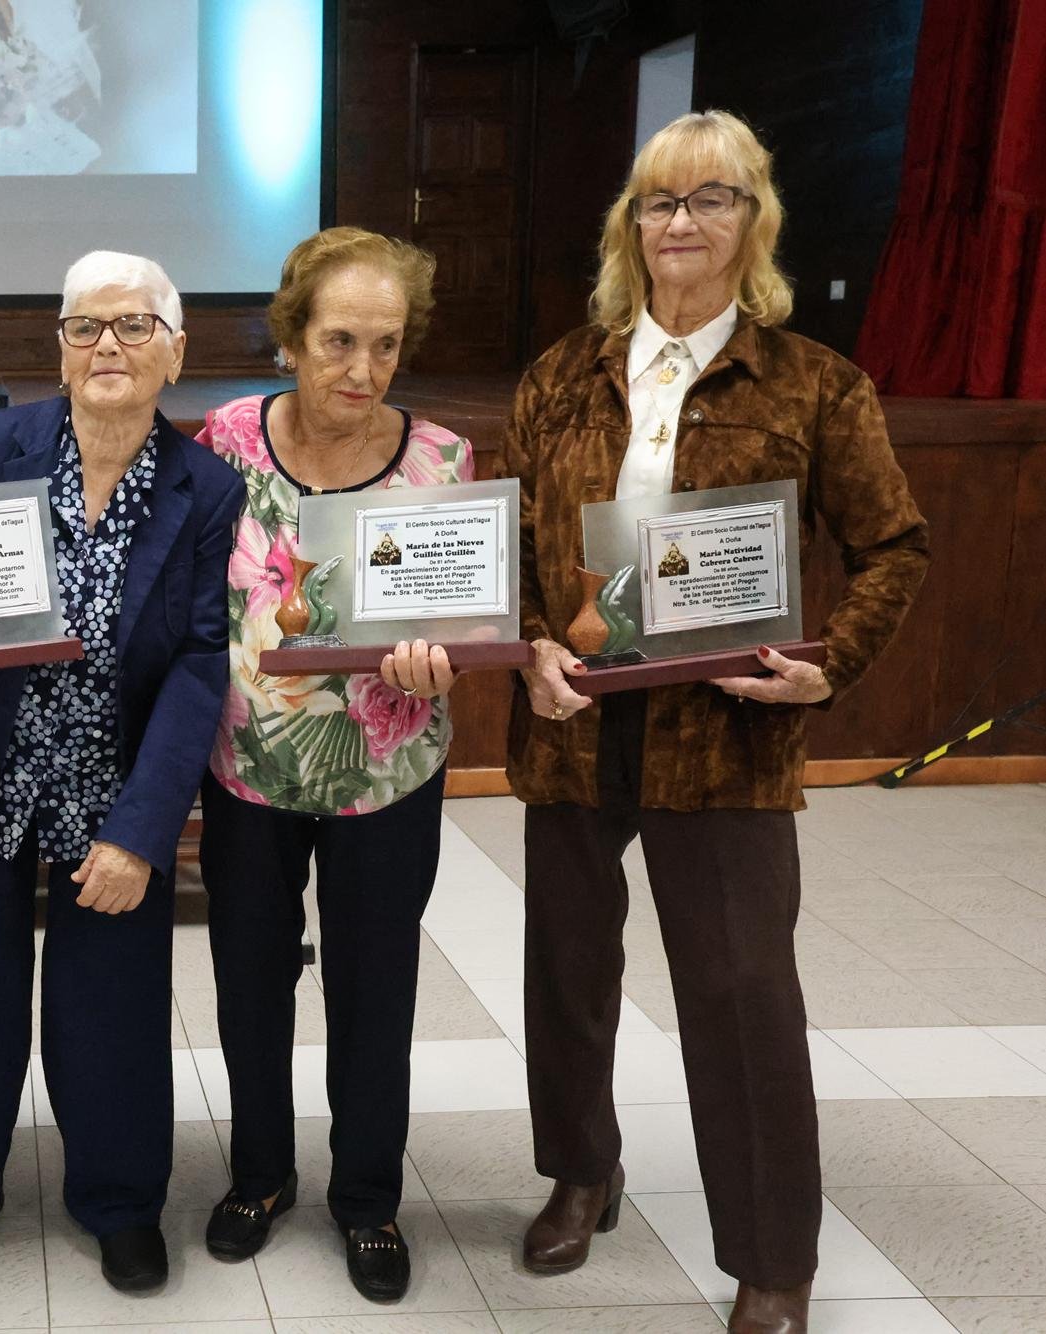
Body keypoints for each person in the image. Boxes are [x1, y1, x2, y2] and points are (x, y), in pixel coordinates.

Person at [505, 110, 929, 1334]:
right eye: (657, 201)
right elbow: (521, 552)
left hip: (728, 732)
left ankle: (772, 1255)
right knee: (568, 971)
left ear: (756, 221)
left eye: (711, 198)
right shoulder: (560, 375)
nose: (680, 222)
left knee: (743, 990)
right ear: (628, 226)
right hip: (576, 721)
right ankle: (583, 1172)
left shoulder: (814, 383)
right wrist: (533, 644)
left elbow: (894, 543)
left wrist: (828, 667)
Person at [0, 251, 245, 1293]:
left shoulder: (206, 485)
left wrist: (145, 828)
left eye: (134, 327)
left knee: (115, 1007)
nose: (107, 347)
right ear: (57, 346)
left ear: (175, 353)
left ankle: (121, 1197)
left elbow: (196, 664)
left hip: (111, 788)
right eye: (85, 327)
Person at [192, 227, 473, 1302]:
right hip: (248, 769)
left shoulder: (442, 459)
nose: (363, 370)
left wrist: (445, 659)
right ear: (292, 338)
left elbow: (462, 612)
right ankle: (259, 1175)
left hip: (385, 771)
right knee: (249, 979)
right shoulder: (225, 440)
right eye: (340, 340)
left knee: (375, 986)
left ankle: (368, 1196)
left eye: (387, 344)